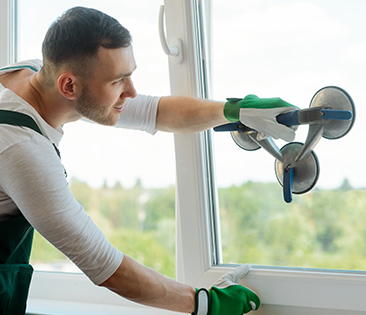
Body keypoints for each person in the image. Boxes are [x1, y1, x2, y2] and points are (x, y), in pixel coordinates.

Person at [0, 6, 298, 315]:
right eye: (118, 81)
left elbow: (153, 112)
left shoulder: (32, 73)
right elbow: (106, 266)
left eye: (130, 75)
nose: (131, 91)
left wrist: (233, 110)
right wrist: (207, 303)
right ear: (69, 86)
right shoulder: (21, 150)